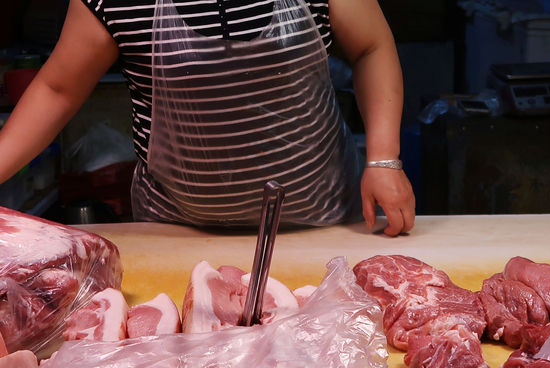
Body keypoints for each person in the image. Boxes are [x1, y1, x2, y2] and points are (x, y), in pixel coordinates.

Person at [0, 0, 415, 236]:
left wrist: (383, 159)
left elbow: (372, 47)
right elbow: (57, 89)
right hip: (176, 231)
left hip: (322, 224)